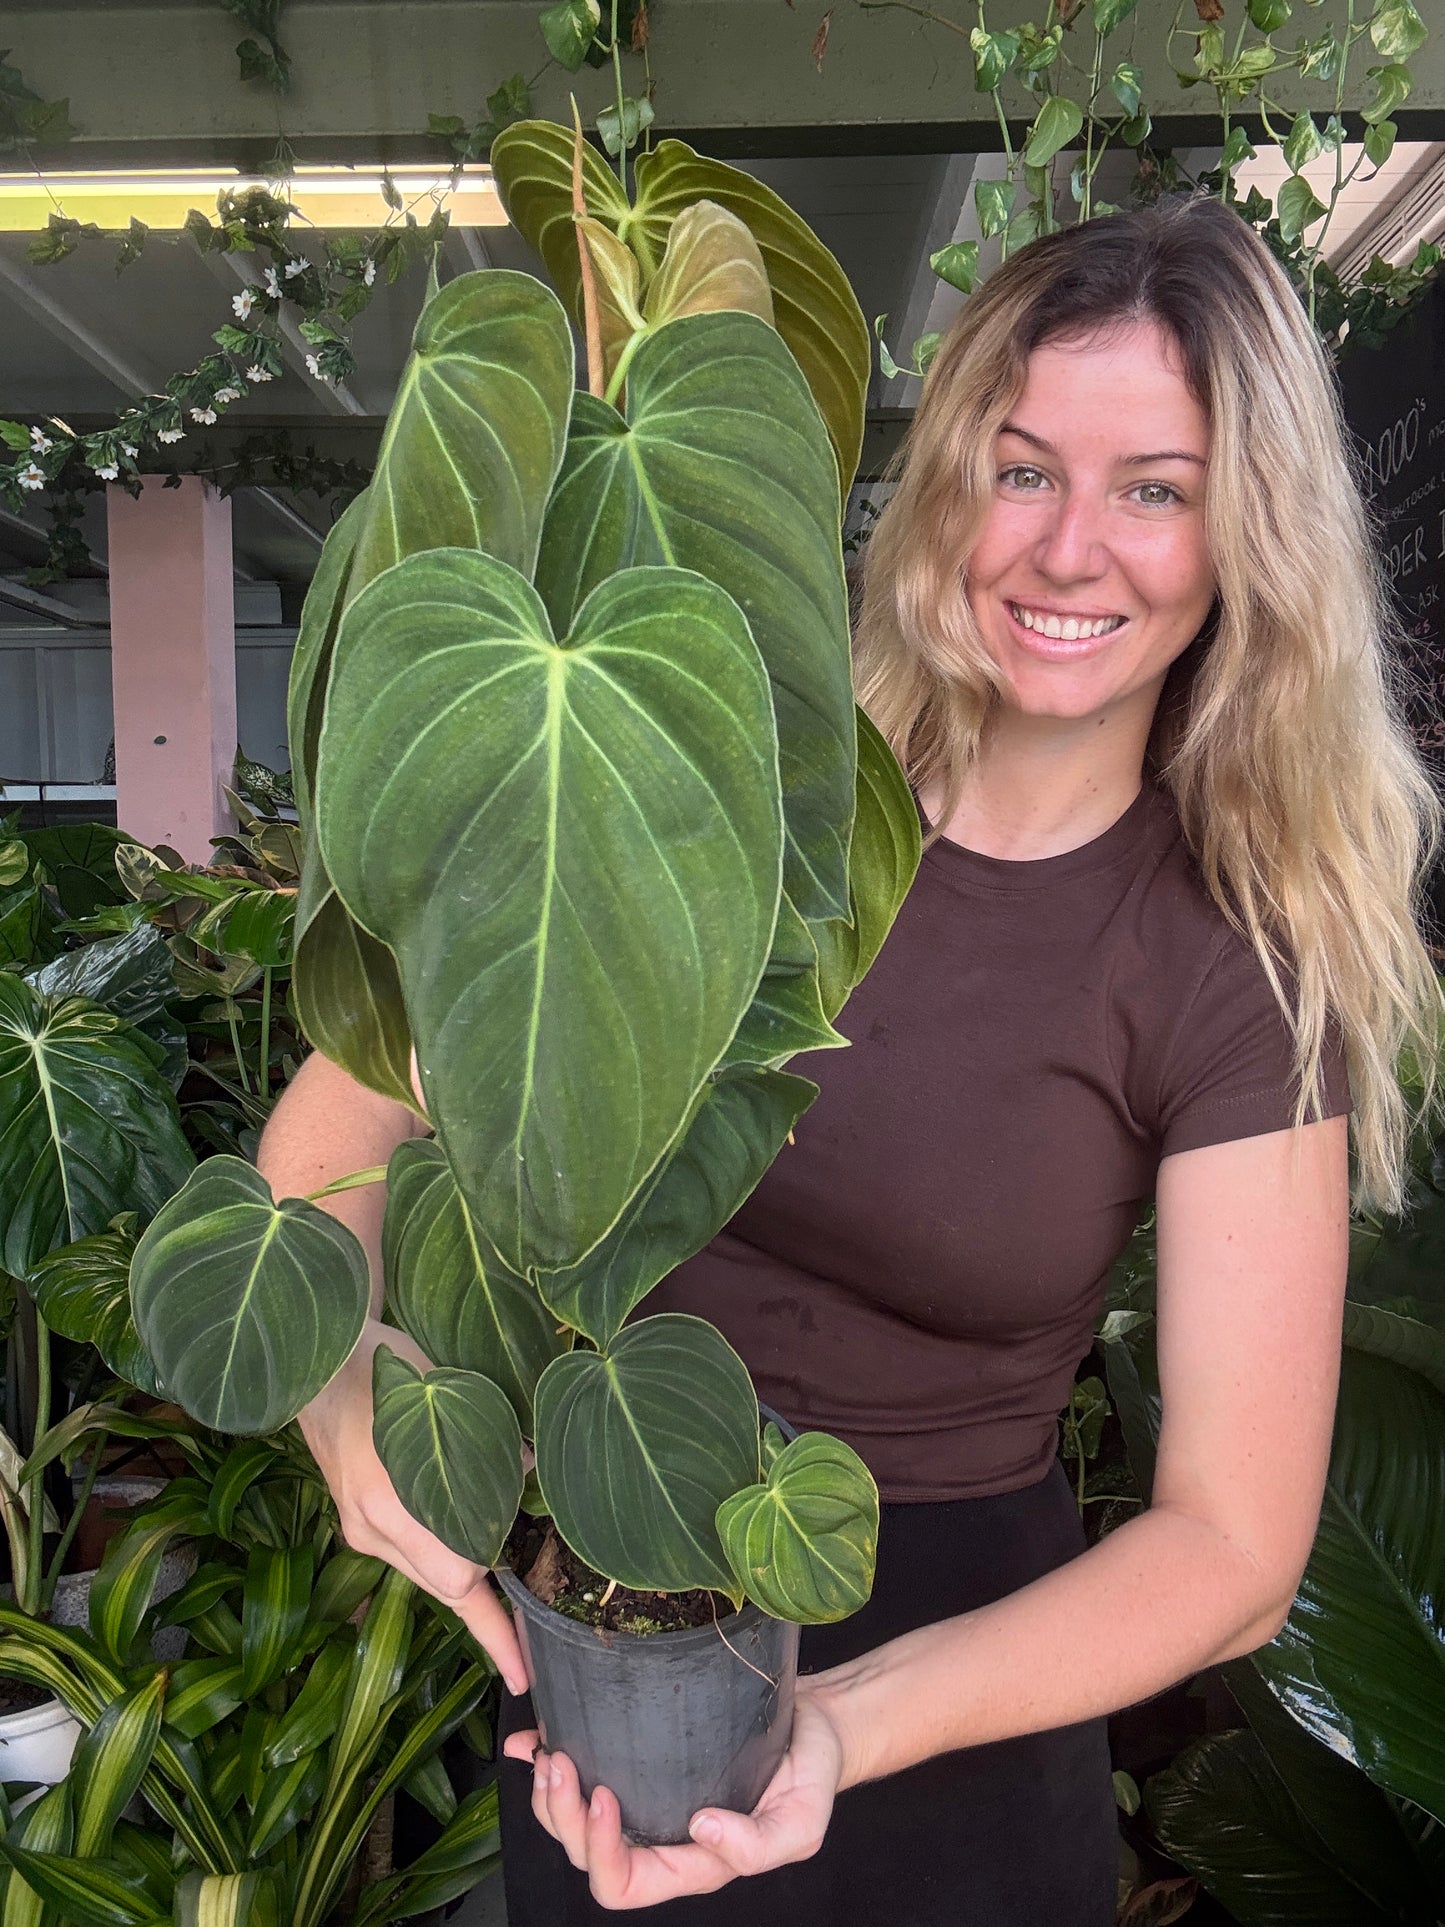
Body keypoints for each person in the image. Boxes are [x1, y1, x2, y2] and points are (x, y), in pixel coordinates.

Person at [262, 188, 1441, 1923]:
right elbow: (327, 1145)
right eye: (1023, 467)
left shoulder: (1234, 961)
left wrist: (831, 1729)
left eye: (1154, 491)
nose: (1065, 548)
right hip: (607, 1636)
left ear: (1243, 538)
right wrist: (360, 1434)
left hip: (956, 1702)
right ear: (948, 477)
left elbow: (1232, 1551)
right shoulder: (724, 781)